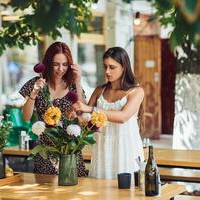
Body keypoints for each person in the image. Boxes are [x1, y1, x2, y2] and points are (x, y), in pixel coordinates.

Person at [73, 47, 145, 179]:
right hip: (102, 149)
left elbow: (123, 117)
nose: (107, 71)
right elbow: (85, 120)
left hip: (126, 148)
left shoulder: (136, 91)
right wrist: (77, 81)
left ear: (124, 67)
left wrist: (90, 109)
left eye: (112, 67)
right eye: (105, 66)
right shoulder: (99, 90)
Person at [19, 41, 87, 176]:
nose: (60, 69)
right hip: (45, 150)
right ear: (48, 63)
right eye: (56, 64)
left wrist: (78, 81)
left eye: (65, 64)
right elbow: (25, 117)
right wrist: (34, 93)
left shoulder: (73, 86)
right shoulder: (36, 83)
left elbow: (83, 115)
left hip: (69, 150)